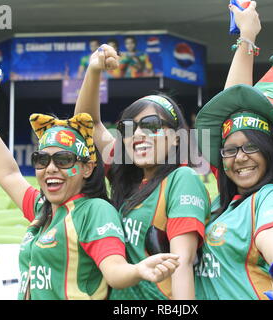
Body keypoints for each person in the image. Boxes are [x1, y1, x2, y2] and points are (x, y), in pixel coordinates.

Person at [0, 75, 180, 300]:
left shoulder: (94, 210)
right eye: (42, 160)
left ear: (87, 168)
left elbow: (114, 269)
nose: (50, 168)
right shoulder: (43, 207)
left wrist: (137, 270)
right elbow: (8, 173)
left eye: (63, 160)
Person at [194, 2, 273, 300]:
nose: (240, 158)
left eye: (252, 147)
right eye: (230, 150)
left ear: (272, 152)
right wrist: (247, 35)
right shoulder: (225, 200)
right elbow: (231, 98)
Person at [75, 45, 210, 300]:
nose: (137, 135)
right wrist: (94, 70)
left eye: (151, 126)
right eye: (128, 127)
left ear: (176, 139)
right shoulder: (126, 175)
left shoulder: (182, 180)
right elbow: (89, 124)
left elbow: (182, 262)